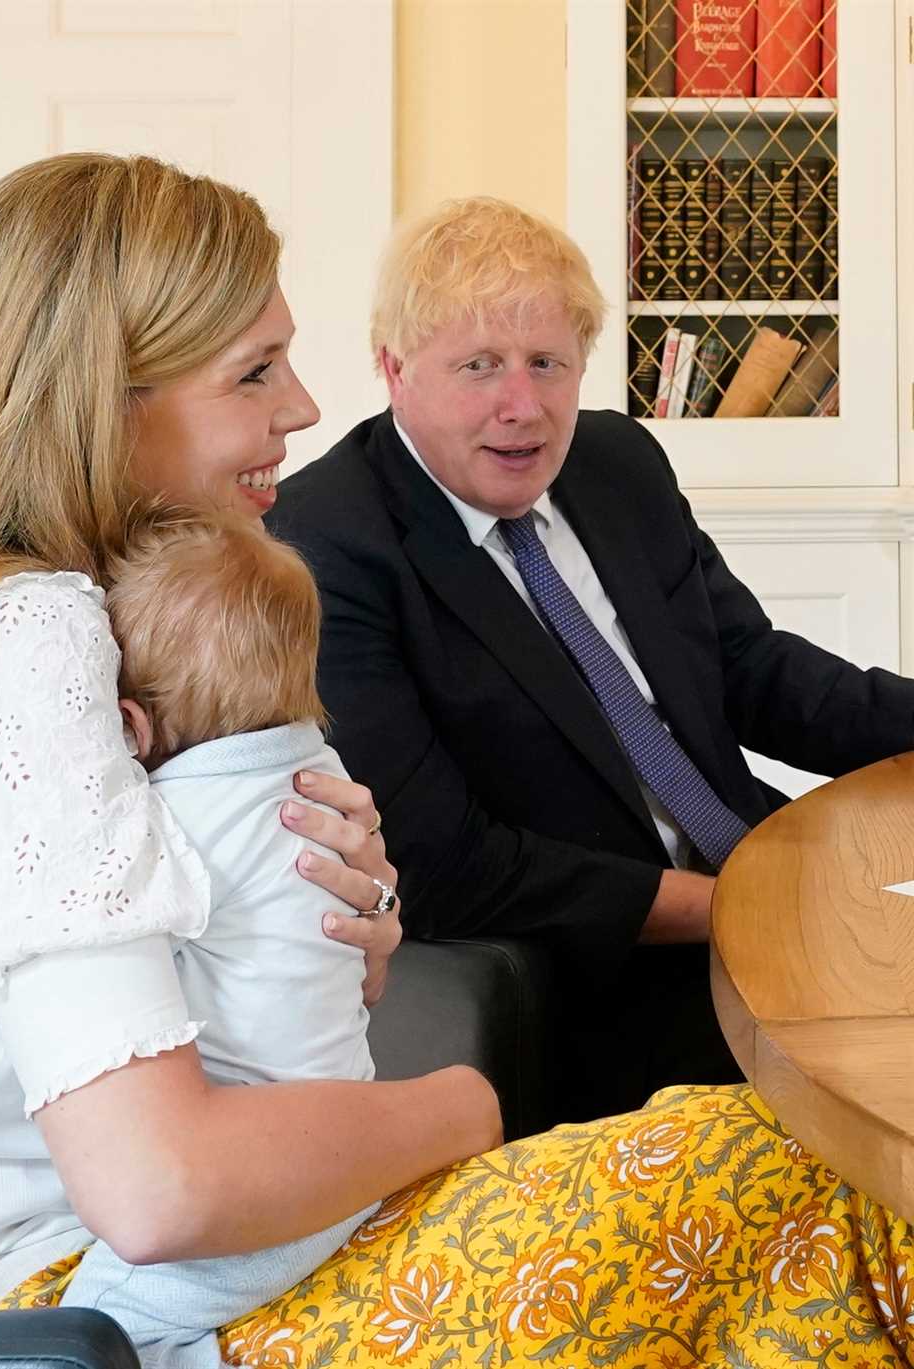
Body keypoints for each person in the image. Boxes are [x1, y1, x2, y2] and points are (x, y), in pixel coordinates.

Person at [0, 155, 911, 1367]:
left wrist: (331, 946)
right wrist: (465, 1107)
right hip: (36, 1312)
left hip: (52, 1273)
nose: (299, 406)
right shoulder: (30, 637)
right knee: (807, 1190)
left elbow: (110, 1034)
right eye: (253, 372)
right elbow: (162, 1187)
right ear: (97, 397)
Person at [267, 196, 914, 1122]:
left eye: (547, 364)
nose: (523, 408)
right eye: (480, 367)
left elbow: (752, 670)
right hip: (598, 976)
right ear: (393, 368)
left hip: (759, 883)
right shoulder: (326, 544)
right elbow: (449, 862)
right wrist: (739, 905)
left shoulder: (616, 461)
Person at [61, 505, 382, 1366]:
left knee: (94, 1324)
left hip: (257, 1189)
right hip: (344, 1146)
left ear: (131, 727)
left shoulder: (171, 826)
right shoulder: (328, 782)